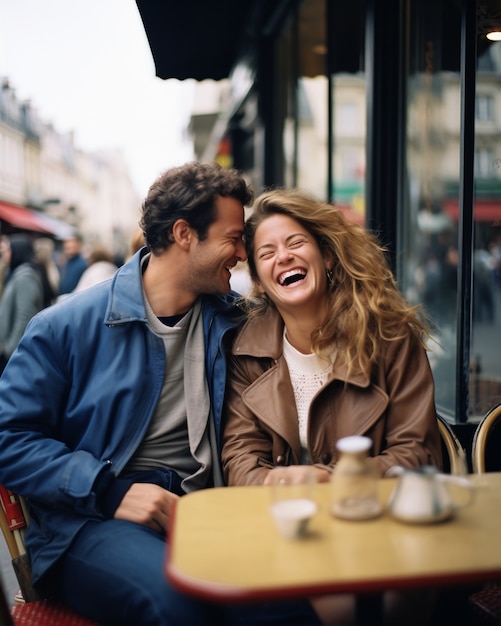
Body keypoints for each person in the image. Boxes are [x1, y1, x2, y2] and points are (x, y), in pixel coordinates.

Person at [221, 188, 442, 624]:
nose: (282, 256)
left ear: (326, 257)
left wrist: (328, 479)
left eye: (296, 243)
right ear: (260, 282)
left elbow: (418, 453)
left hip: (380, 526)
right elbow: (239, 461)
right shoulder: (246, 352)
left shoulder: (391, 339)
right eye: (266, 252)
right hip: (288, 529)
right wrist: (292, 492)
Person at [0, 234, 52, 375]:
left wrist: (9, 350)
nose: (5, 254)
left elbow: (24, 315)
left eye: (8, 250)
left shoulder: (25, 276)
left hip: (13, 353)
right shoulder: (17, 273)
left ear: (19, 251)